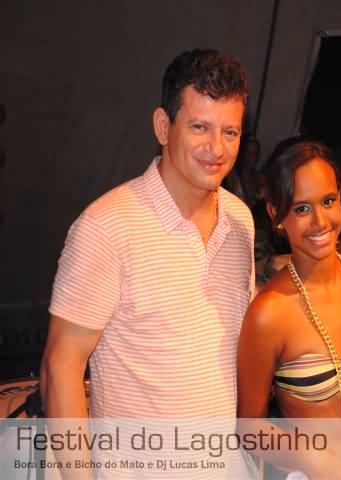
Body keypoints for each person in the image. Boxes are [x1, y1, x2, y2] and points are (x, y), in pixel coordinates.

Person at [40, 49, 254, 419]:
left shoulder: (240, 220)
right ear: (163, 127)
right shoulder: (106, 227)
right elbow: (60, 368)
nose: (217, 148)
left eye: (230, 132)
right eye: (199, 127)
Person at [237, 138, 341, 479]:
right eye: (301, 208)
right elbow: (248, 427)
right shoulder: (269, 312)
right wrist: (308, 457)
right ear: (275, 213)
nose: (320, 221)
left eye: (328, 201)